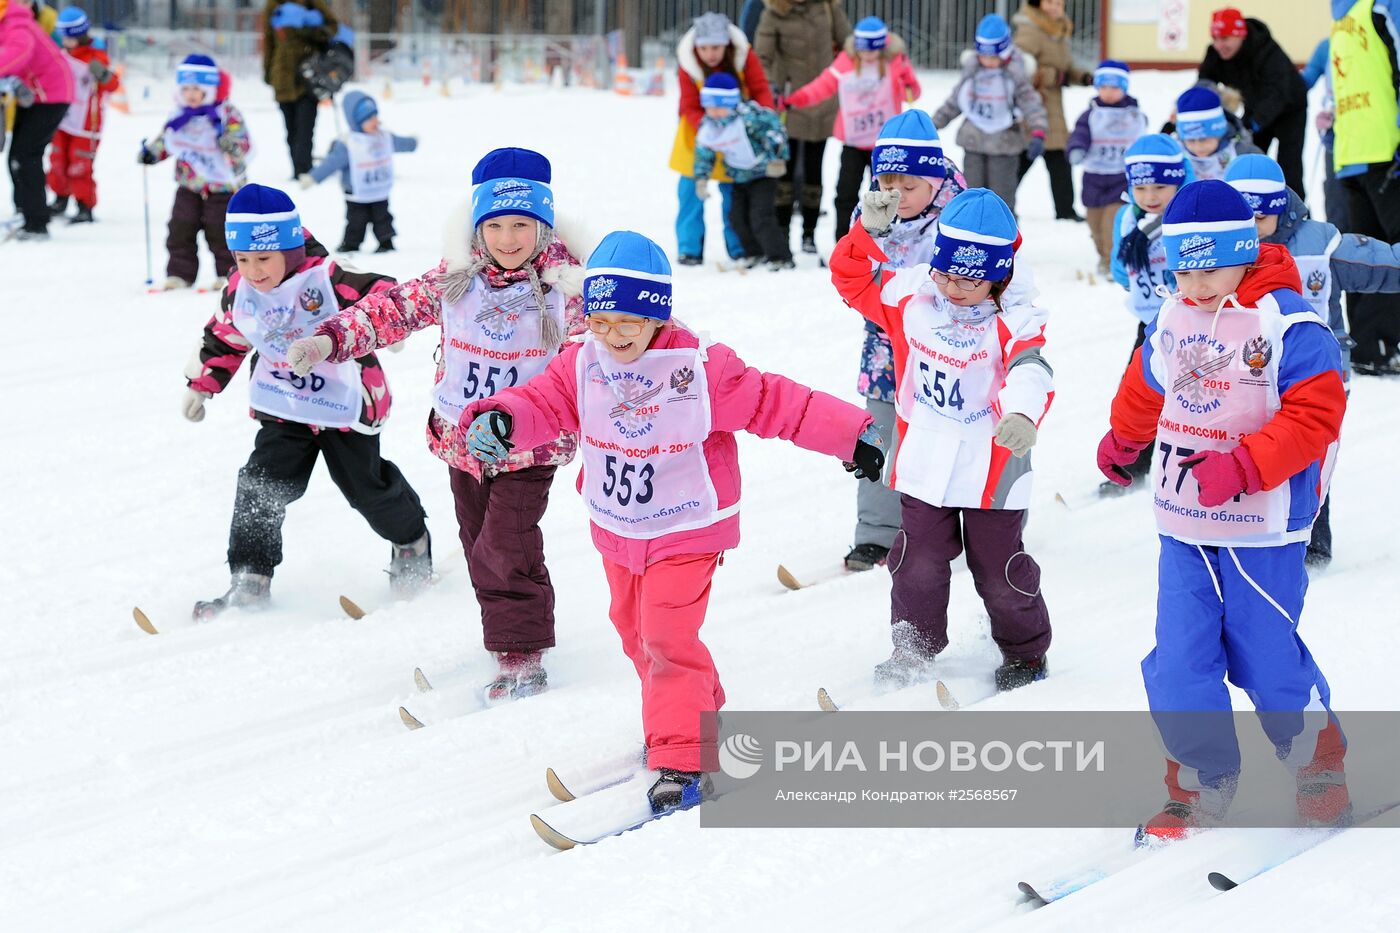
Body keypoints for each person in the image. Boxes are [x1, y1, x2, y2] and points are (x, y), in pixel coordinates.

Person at [457, 230, 881, 813]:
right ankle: (692, 712)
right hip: (620, 527)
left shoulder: (699, 369)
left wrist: (851, 435)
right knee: (635, 634)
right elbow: (541, 403)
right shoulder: (582, 362)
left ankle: (683, 756)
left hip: (686, 528)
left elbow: (776, 402)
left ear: (656, 313)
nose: (612, 335)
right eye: (601, 321)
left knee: (666, 637)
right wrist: (502, 418)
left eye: (627, 321)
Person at [1097, 179, 1349, 841]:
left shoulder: (1290, 324)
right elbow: (1148, 383)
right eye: (1184, 268)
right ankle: (1198, 778)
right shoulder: (1174, 315)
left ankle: (1315, 756)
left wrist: (1243, 466)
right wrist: (1124, 437)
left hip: (1263, 528)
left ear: (1246, 253)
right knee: (1180, 660)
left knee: (1265, 657)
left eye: (1210, 269)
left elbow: (1318, 414)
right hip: (1182, 522)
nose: (1196, 283)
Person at [288, 148, 586, 703]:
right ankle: (503, 635)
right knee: (478, 543)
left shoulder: (568, 289)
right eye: (494, 224)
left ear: (543, 223)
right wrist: (328, 339)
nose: (508, 238)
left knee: (507, 542)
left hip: (530, 446)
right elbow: (392, 309)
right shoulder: (456, 279)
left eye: (522, 224)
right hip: (461, 439)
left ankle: (522, 650)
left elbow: (610, 346)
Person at [831, 187, 1054, 692]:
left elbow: (1031, 367)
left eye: (972, 280)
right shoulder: (912, 296)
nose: (955, 288)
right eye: (948, 274)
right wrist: (865, 234)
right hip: (925, 462)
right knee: (917, 564)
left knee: (998, 570)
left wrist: (1022, 413)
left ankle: (1024, 651)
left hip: (992, 466)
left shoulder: (1016, 316)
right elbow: (851, 280)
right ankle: (914, 647)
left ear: (1000, 275)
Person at [182, 184, 431, 620]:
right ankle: (249, 578)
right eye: (243, 259)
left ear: (291, 249)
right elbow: (225, 333)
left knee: (366, 489)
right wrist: (202, 383)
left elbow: (384, 292)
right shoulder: (241, 290)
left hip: (345, 406)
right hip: (285, 407)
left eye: (264, 258)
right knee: (260, 486)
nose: (254, 271)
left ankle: (411, 543)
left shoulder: (327, 277)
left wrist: (389, 329)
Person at [1224, 153, 1400, 566]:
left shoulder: (1320, 244)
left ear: (1281, 208)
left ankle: (1311, 536)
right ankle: (1245, 529)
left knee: (1308, 452)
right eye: (1242, 222)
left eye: (1260, 222)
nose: (1252, 234)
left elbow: (1382, 264)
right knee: (1249, 448)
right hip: (1247, 373)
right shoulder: (1222, 249)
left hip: (1318, 374)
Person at [839, 111, 968, 572]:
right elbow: (851, 271)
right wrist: (865, 232)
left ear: (935, 180)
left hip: (952, 347)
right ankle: (875, 532)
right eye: (887, 184)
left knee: (954, 435)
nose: (897, 196)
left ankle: (976, 522)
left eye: (909, 186)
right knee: (879, 435)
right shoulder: (871, 212)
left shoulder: (962, 214)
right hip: (884, 344)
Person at [1105, 134, 1195, 495]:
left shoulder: (1187, 216)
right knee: (1139, 395)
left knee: (1191, 399)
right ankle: (1131, 466)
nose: (1151, 196)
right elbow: (1117, 266)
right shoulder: (1127, 219)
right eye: (1141, 187)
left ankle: (1189, 467)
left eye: (1161, 185)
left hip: (1190, 322)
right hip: (1149, 324)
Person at [784, 16, 920, 242]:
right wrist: (795, 99)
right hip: (854, 142)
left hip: (884, 146)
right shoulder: (845, 62)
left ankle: (880, 242)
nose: (867, 55)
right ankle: (844, 241)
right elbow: (822, 86)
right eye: (863, 50)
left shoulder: (893, 62)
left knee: (883, 196)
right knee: (845, 195)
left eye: (872, 50)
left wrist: (907, 75)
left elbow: (913, 94)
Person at [138, 54, 250, 290]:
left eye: (196, 89)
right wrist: (151, 153)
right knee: (180, 227)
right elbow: (167, 140)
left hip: (223, 187)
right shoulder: (180, 115)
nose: (190, 94)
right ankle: (180, 273)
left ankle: (228, 273)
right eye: (185, 88)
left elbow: (243, 144)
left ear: (209, 89)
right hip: (189, 184)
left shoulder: (226, 113)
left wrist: (230, 144)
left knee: (220, 232)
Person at [1330, 0, 1400, 375]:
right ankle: (1381, 344)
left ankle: (1370, 346)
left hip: (1353, 150)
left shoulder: (1342, 15)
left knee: (1364, 251)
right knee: (1391, 251)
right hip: (1387, 149)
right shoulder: (1383, 5)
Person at [670, 11, 773, 266]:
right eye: (704, 48)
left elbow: (761, 91)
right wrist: (709, 128)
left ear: (726, 44)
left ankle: (739, 247)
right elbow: (688, 104)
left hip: (738, 134)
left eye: (716, 46)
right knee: (690, 192)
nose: (710, 53)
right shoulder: (688, 63)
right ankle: (689, 248)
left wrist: (759, 121)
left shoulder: (744, 57)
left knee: (733, 192)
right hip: (697, 134)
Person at [755, 0, 851, 255]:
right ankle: (783, 231)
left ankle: (809, 233)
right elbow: (762, 57)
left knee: (813, 170)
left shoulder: (828, 8)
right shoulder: (774, 12)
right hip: (788, 101)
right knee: (784, 173)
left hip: (823, 101)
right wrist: (771, 86)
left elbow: (849, 45)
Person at [931, 14, 1047, 215]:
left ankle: (1004, 242)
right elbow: (956, 100)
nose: (988, 61)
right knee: (972, 196)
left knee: (1001, 199)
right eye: (984, 56)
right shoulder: (973, 69)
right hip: (973, 141)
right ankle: (969, 237)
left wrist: (1038, 130)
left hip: (1004, 143)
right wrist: (933, 123)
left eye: (993, 57)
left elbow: (1030, 103)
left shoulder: (1015, 72)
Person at [1196, 7, 1308, 198]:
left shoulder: (1266, 51)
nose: (1219, 45)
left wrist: (1251, 125)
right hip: (1255, 105)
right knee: (1249, 161)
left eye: (1225, 39)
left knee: (1289, 167)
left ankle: (1295, 212)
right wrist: (1188, 114)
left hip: (1290, 108)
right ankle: (1248, 206)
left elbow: (1277, 93)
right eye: (1215, 38)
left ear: (1240, 35)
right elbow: (1203, 87)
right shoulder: (1215, 54)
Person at [693, 73, 792, 271]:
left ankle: (780, 256)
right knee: (735, 217)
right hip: (738, 177)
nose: (714, 112)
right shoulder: (709, 126)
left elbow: (775, 131)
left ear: (730, 103)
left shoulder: (749, 117)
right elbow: (704, 152)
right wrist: (701, 180)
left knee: (761, 216)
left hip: (763, 175)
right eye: (709, 107)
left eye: (718, 106)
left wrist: (778, 158)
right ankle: (753, 252)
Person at [299, 89, 417, 254]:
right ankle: (351, 244)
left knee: (382, 217)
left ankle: (386, 241)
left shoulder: (383, 136)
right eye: (368, 118)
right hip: (356, 191)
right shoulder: (349, 144)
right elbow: (331, 163)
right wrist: (313, 178)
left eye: (375, 115)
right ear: (355, 121)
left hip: (378, 189)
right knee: (356, 220)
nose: (374, 121)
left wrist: (413, 142)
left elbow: (399, 143)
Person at [1012, 0, 1094, 221]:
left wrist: (1083, 77)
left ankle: (1065, 210)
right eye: (1049, 2)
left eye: (1059, 2)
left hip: (1053, 105)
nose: (1055, 7)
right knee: (1023, 157)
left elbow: (1064, 68)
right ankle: (1002, 204)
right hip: (1032, 105)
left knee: (1058, 157)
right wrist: (1054, 76)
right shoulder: (1031, 30)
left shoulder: (1056, 29)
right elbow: (1019, 67)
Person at [1066, 60, 1149, 276]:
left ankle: (1113, 261)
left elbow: (1142, 139)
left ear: (1123, 88)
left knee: (1112, 221)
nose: (1108, 93)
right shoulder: (1091, 114)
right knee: (1094, 222)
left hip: (1121, 176)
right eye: (1103, 87)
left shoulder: (1133, 114)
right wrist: (1077, 148)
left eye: (1114, 88)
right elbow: (1080, 133)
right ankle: (1102, 254)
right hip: (1094, 175)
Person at [0, 0, 72, 240]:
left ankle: (36, 222)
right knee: (16, 156)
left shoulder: (16, 24)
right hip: (35, 98)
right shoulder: (8, 23)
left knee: (26, 155)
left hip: (52, 95)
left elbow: (15, 55)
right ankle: (25, 212)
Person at [45, 6, 116, 224]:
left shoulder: (96, 57)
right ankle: (60, 198)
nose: (65, 42)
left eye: (69, 38)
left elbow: (112, 85)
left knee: (80, 163)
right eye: (63, 37)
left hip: (87, 122)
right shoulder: (61, 55)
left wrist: (102, 74)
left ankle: (84, 205)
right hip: (62, 118)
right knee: (58, 159)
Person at [263, 0, 336, 177]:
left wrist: (306, 28)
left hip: (308, 78)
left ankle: (303, 171)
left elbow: (332, 29)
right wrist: (267, 72)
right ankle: (298, 168)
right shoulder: (274, 6)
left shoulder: (313, 4)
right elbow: (269, 42)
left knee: (305, 128)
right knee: (291, 130)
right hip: (283, 77)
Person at [1172, 85, 1260, 180]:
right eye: (1190, 140)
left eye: (1203, 139)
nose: (1198, 146)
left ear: (1219, 133)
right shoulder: (1172, 154)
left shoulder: (1244, 154)